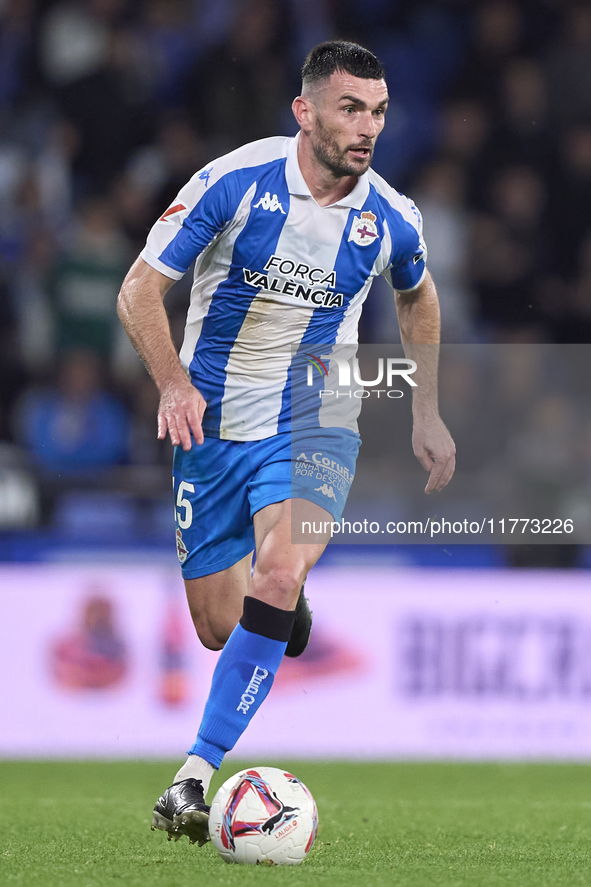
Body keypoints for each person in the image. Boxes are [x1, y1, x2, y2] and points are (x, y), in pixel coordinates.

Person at [117, 40, 456, 847]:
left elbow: (418, 297)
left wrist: (425, 410)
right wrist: (171, 381)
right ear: (304, 112)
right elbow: (140, 288)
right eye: (350, 108)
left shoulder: (390, 218)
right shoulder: (234, 181)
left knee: (275, 566)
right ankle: (285, 604)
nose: (367, 127)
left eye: (377, 111)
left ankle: (193, 775)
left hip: (316, 414)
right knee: (215, 624)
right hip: (215, 422)